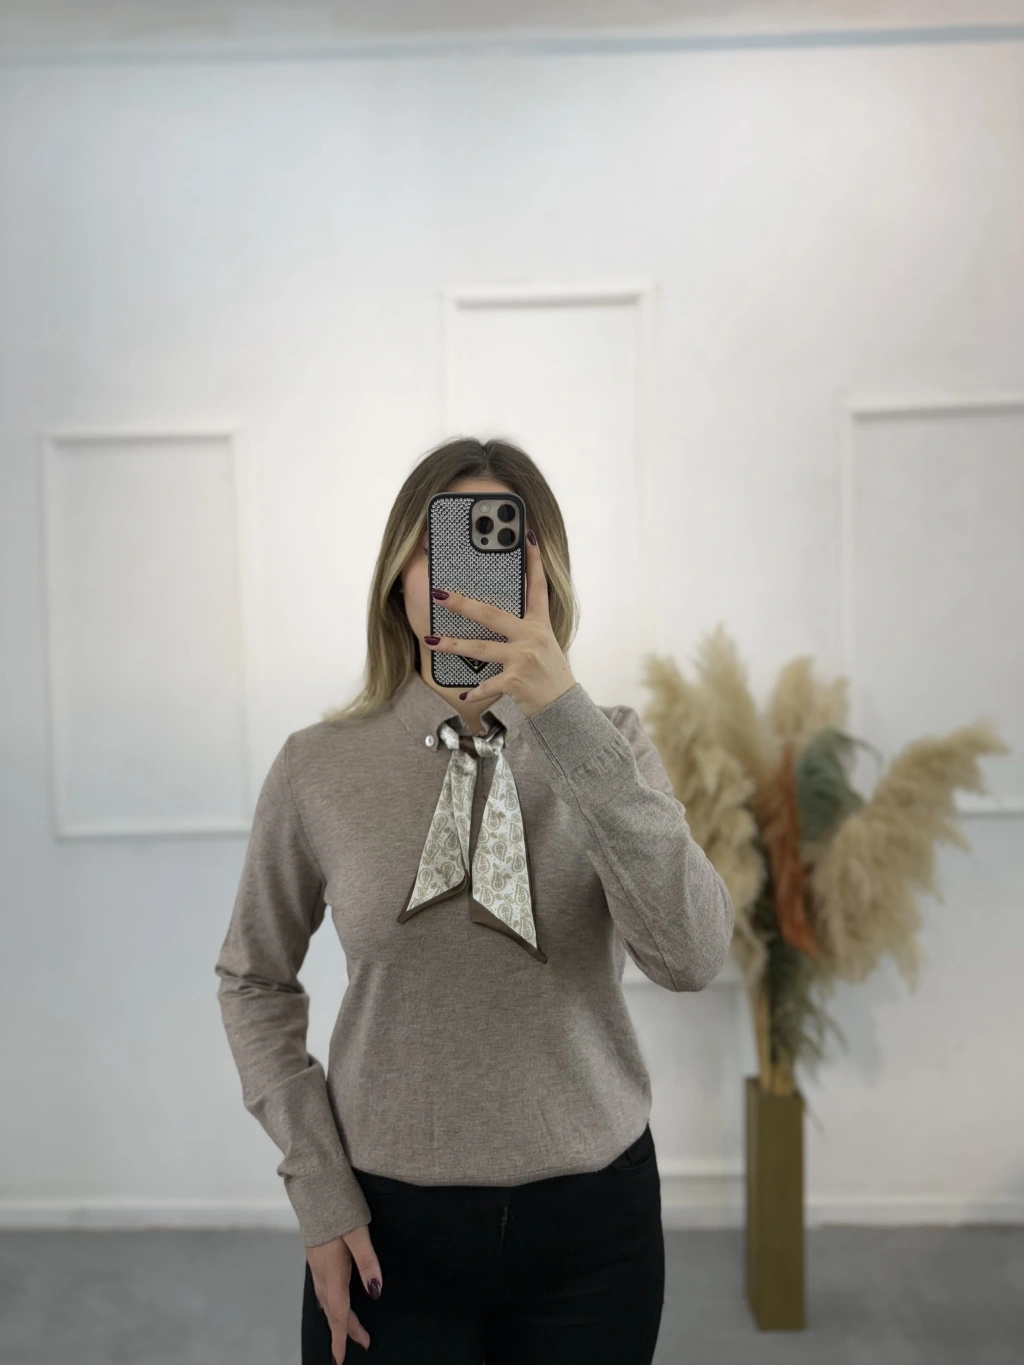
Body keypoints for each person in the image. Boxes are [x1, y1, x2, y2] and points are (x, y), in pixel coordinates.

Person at [214, 436, 735, 1364]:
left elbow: (691, 956)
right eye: (438, 544)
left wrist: (565, 718)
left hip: (596, 1229)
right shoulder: (316, 766)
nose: (462, 574)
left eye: (501, 543)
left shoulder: (611, 746)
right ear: (397, 579)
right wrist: (317, 1186)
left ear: (545, 577)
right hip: (385, 1224)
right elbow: (253, 980)